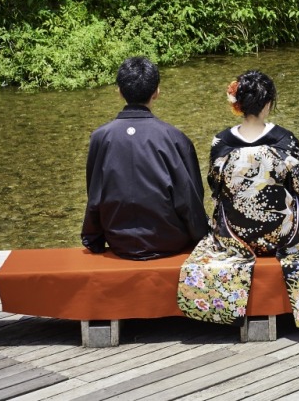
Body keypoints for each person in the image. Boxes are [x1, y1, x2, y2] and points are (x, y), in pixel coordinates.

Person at [177, 70, 299, 327]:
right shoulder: (284, 139)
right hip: (283, 236)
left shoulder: (222, 141)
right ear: (268, 104)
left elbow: (215, 188)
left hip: (235, 235)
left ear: (238, 103)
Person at [81, 57, 208, 260]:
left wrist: (93, 238)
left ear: (120, 91)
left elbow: (95, 193)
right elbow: (190, 198)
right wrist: (201, 236)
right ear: (156, 92)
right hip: (169, 241)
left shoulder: (100, 137)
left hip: (118, 240)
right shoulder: (175, 138)